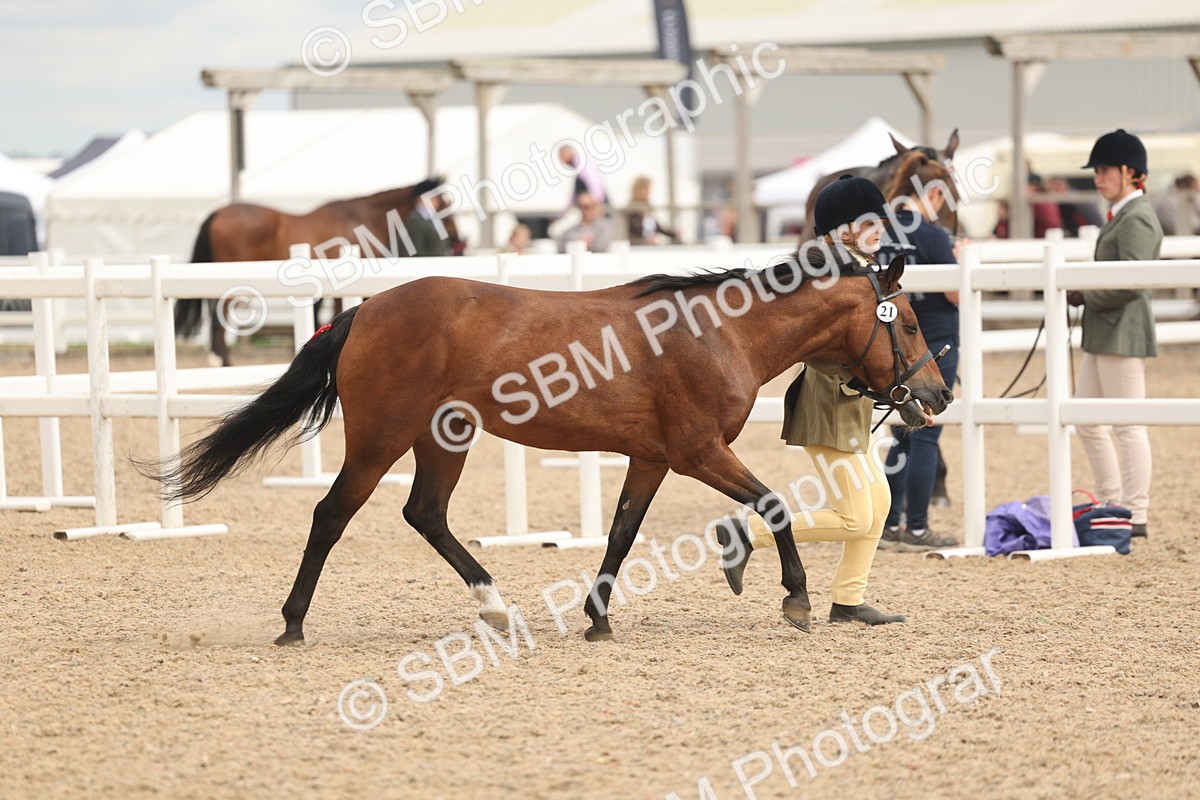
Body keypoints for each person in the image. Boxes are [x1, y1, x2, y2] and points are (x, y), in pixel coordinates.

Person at [716, 175, 907, 627]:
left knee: (878, 502)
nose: (881, 230)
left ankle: (847, 599)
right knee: (856, 516)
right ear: (841, 230)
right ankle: (747, 532)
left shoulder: (857, 272)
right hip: (828, 405)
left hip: (852, 406)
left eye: (881, 221)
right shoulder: (824, 277)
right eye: (870, 223)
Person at [868, 152, 963, 552]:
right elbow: (956, 294)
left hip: (894, 343)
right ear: (935, 194)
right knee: (927, 435)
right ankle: (919, 527)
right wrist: (961, 259)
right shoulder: (933, 234)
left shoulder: (880, 233)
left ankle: (891, 523)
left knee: (900, 433)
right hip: (935, 339)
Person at [1068, 129, 1161, 538]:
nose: (1098, 177)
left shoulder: (1138, 216)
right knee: (1087, 420)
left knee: (1127, 424)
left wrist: (1087, 294)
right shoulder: (1121, 215)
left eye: (1104, 170)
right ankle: (1109, 500)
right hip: (1104, 334)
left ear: (1128, 172)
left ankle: (1136, 512)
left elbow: (1134, 281)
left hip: (1121, 332)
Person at [625, 176, 678, 244]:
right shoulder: (630, 210)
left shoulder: (649, 208)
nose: (649, 192)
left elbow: (657, 227)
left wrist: (674, 233)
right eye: (646, 189)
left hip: (650, 245)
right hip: (638, 246)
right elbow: (632, 232)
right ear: (638, 190)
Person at [558, 145, 606, 212]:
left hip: (595, 206)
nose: (561, 159)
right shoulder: (577, 165)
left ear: (567, 153)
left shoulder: (581, 163)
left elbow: (593, 180)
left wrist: (597, 200)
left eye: (561, 156)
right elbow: (574, 193)